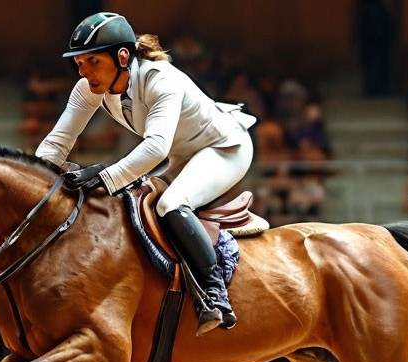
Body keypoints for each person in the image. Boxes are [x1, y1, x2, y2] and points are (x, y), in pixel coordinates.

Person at [36, 12, 257, 335]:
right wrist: (34, 178)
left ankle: (214, 294)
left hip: (224, 148)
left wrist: (103, 176)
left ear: (122, 56)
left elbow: (155, 148)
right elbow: (57, 143)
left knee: (171, 204)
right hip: (182, 155)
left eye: (93, 61)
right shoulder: (90, 88)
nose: (84, 72)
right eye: (79, 63)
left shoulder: (159, 79)